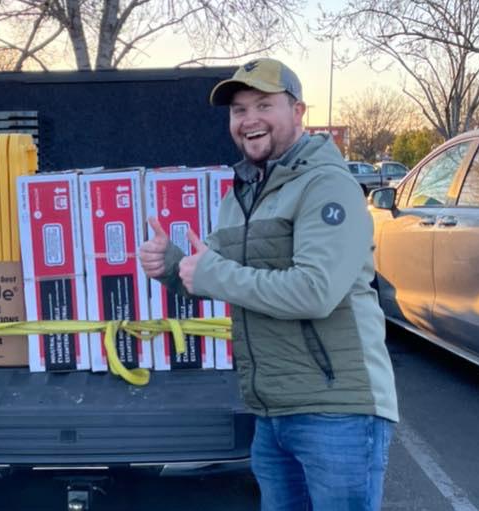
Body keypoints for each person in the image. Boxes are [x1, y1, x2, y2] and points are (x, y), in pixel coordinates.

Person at [139, 58, 398, 510]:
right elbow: (216, 275)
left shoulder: (327, 185)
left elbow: (315, 290)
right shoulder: (239, 195)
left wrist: (212, 274)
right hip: (270, 412)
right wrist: (171, 265)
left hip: (336, 412)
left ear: (298, 112)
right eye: (239, 110)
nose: (249, 119)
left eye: (264, 104)